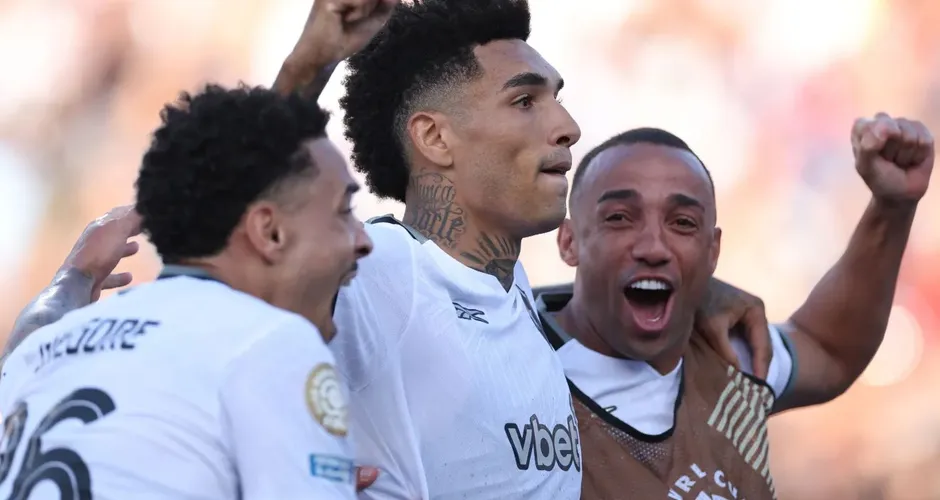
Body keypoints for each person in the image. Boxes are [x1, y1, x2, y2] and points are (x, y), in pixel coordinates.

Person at [5, 1, 776, 498]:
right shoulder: (379, 273)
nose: (568, 124)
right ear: (434, 138)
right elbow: (248, 219)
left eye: (558, 95)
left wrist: (698, 285)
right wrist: (308, 64)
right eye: (526, 99)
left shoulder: (521, 307)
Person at [0, 85, 374, 499]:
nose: (363, 240)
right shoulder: (270, 342)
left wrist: (74, 276)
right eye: (343, 212)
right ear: (269, 231)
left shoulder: (40, 351)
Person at [534, 117, 933, 499]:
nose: (653, 246)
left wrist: (892, 206)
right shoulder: (514, 366)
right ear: (569, 242)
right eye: (620, 218)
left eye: (683, 223)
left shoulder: (730, 354)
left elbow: (829, 349)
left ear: (713, 251)